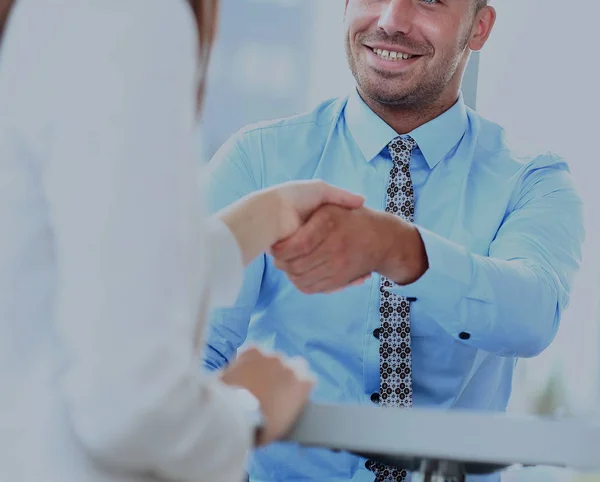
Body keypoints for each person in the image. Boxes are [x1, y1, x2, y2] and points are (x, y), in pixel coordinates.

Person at [204, 0, 586, 481]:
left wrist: (401, 250)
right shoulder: (257, 159)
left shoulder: (532, 180)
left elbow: (531, 316)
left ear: (479, 27)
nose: (390, 20)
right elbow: (186, 353)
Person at [0, 0, 368, 481]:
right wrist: (248, 409)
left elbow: (64, 262)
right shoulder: (128, 19)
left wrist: (257, 224)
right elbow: (130, 406)